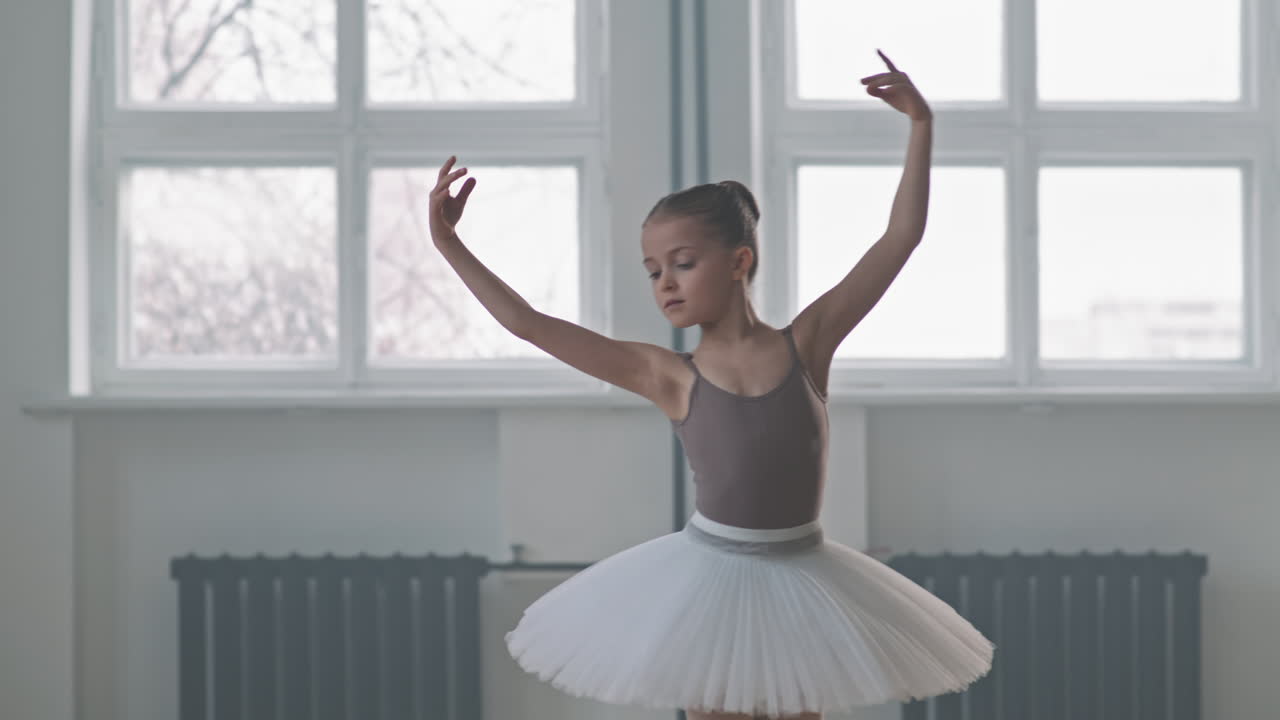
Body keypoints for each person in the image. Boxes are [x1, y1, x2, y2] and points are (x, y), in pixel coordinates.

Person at [430, 50, 994, 720]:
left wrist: (921, 125)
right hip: (710, 583)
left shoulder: (809, 345)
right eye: (652, 270)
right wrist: (449, 245)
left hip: (803, 578)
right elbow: (527, 323)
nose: (664, 282)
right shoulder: (666, 374)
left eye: (683, 263)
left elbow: (901, 238)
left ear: (739, 262)